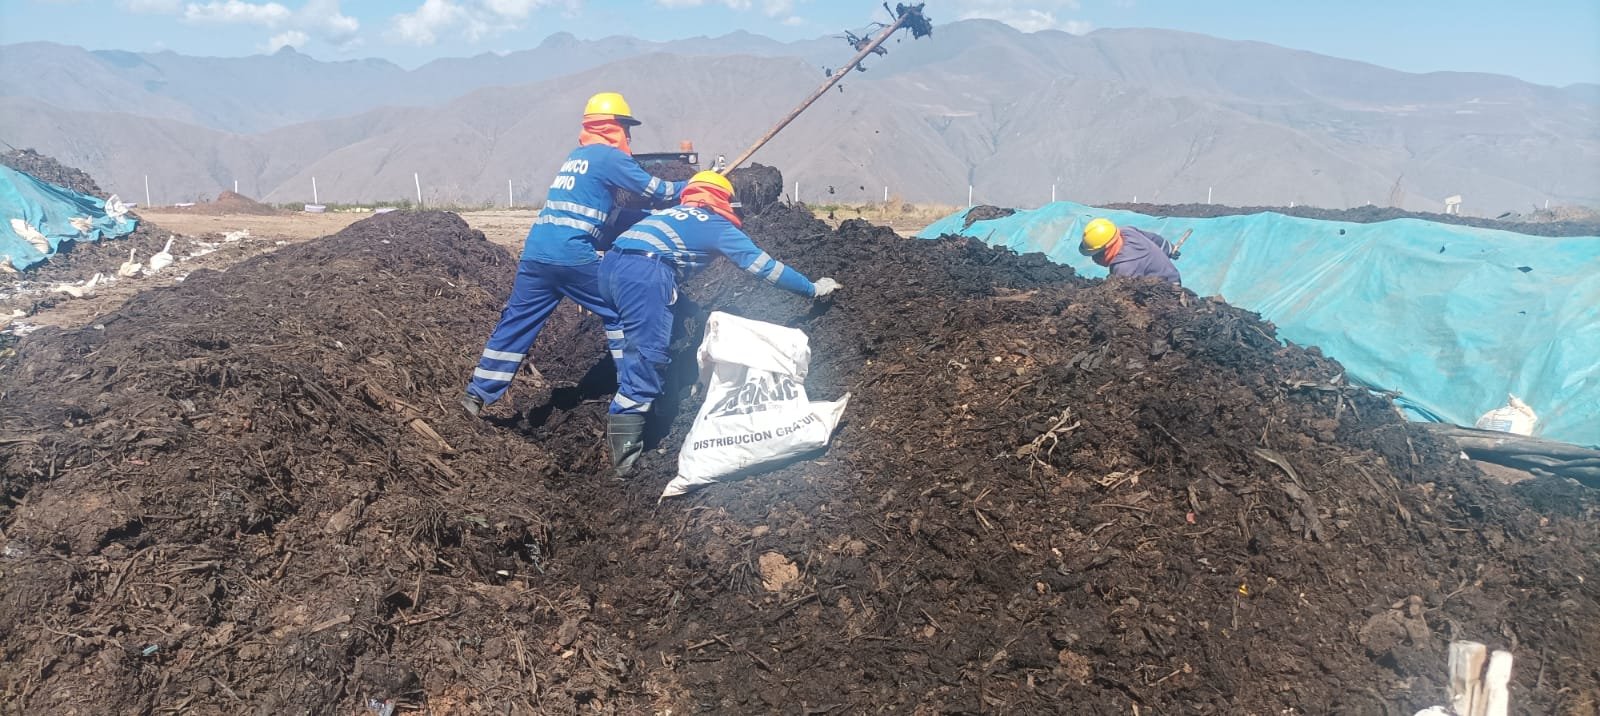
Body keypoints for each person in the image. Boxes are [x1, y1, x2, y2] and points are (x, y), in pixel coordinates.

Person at [597, 171, 841, 474]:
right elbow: (766, 268)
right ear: (722, 200)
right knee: (650, 357)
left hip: (609, 268)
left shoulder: (670, 214)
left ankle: (651, 412)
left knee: (631, 346)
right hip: (646, 274)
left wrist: (692, 310)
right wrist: (811, 289)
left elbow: (645, 258)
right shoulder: (714, 224)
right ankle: (626, 464)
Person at [462, 92, 683, 417]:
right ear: (615, 128)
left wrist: (648, 221)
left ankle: (476, 396)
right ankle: (634, 394)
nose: (630, 136)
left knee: (518, 321)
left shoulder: (578, 158)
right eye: (626, 128)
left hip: (537, 255)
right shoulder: (610, 158)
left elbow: (608, 216)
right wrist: (697, 188)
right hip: (572, 255)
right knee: (620, 309)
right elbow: (656, 191)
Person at [1078, 217, 1181, 284]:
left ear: (1107, 249)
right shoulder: (1127, 232)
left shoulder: (1124, 269)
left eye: (1096, 255)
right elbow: (1154, 238)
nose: (1094, 259)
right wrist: (1169, 248)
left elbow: (1125, 298)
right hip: (1172, 273)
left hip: (1168, 287)